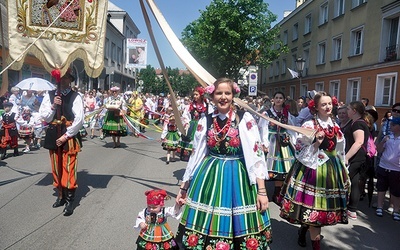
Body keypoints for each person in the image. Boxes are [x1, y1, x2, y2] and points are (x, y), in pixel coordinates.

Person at [175, 78, 272, 249]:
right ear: (212, 96)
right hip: (209, 175)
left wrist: (262, 191)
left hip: (238, 176)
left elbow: (256, 156)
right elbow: (196, 155)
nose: (223, 97)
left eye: (227, 93)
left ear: (233, 95)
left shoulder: (244, 118)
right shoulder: (205, 120)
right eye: (219, 93)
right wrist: (183, 188)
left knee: (240, 225)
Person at [279, 92, 350, 250]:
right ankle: (314, 244)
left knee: (321, 207)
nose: (327, 107)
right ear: (316, 107)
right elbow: (300, 150)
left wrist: (343, 167)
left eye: (329, 104)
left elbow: (340, 148)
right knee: (311, 206)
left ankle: (305, 231)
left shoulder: (334, 123)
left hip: (331, 169)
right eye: (323, 104)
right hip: (312, 169)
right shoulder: (309, 125)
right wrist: (316, 144)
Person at [39, 69, 84, 216]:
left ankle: (70, 199)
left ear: (70, 79)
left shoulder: (75, 96)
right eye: (60, 78)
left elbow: (79, 119)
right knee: (56, 167)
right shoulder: (50, 95)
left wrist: (66, 135)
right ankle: (61, 195)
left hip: (68, 136)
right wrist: (53, 106)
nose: (62, 81)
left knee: (68, 168)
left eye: (66, 78)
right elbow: (45, 116)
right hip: (53, 133)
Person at [259, 91, 296, 204]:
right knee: (270, 168)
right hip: (272, 140)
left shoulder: (287, 113)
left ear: (284, 100)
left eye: (281, 98)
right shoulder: (267, 113)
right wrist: (264, 143)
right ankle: (263, 192)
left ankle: (278, 193)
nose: (279, 100)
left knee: (284, 169)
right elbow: (262, 128)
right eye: (276, 98)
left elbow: (291, 127)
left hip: (284, 142)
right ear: (273, 100)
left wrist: (293, 141)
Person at [344, 101, 370, 220]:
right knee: (354, 183)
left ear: (354, 111)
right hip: (358, 158)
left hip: (356, 158)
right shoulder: (356, 122)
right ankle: (352, 210)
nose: (346, 111)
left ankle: (344, 207)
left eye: (348, 109)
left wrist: (347, 157)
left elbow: (359, 142)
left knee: (344, 180)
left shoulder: (358, 124)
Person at [375, 117, 400, 221]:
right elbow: (379, 150)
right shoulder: (388, 137)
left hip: (396, 169)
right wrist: (382, 142)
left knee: (396, 191)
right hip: (384, 166)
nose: (391, 127)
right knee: (381, 188)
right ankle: (379, 207)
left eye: (393, 125)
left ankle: (396, 210)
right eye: (391, 125)